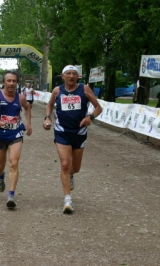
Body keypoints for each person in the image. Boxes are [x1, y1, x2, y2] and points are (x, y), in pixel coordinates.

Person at [43, 65, 102, 214]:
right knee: (64, 164)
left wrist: (90, 117)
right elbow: (50, 104)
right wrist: (47, 118)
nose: (71, 76)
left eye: (74, 74)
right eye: (68, 73)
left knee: (75, 168)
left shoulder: (84, 89)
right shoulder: (57, 91)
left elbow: (98, 108)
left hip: (80, 132)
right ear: (62, 76)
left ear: (78, 77)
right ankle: (67, 199)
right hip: (62, 131)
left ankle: (71, 175)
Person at [0, 71, 32, 209]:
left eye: (14, 81)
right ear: (4, 82)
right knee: (0, 165)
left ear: (16, 83)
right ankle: (0, 176)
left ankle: (11, 195)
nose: (11, 83)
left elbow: (27, 107)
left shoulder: (20, 98)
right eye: (8, 81)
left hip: (15, 133)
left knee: (14, 163)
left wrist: (28, 123)